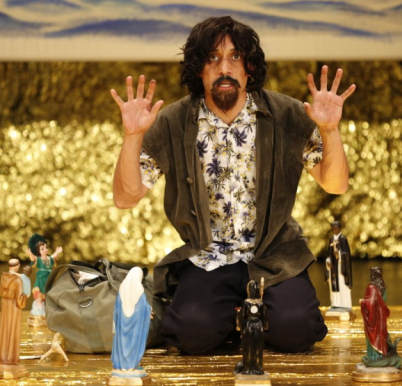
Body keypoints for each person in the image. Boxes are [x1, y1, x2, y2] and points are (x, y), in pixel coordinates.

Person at [110, 16, 354, 354]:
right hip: (207, 257)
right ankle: (231, 319)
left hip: (274, 255)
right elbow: (125, 197)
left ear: (249, 67)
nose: (224, 68)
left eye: (235, 56)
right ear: (198, 69)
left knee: (297, 331)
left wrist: (330, 131)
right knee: (191, 335)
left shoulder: (286, 114)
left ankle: (256, 317)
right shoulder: (173, 122)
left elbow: (336, 184)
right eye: (213, 57)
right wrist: (132, 136)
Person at [111, 267, 150, 376]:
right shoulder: (139, 289)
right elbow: (143, 308)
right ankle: (131, 366)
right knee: (134, 344)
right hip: (136, 326)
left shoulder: (122, 288)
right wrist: (149, 309)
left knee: (121, 344)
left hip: (121, 324)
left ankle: (121, 366)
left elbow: (116, 309)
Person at [359, 267, 401, 369]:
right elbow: (382, 301)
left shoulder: (371, 288)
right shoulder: (383, 287)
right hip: (381, 317)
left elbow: (370, 303)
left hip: (373, 318)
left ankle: (373, 357)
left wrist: (362, 302)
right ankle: (381, 355)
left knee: (374, 336)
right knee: (381, 335)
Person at [0, 260, 28, 366]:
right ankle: (11, 357)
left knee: (4, 328)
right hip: (14, 306)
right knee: (13, 329)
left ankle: (0, 355)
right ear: (17, 266)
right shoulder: (18, 280)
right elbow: (20, 299)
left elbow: (0, 291)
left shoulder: (3, 277)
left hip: (5, 304)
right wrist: (26, 296)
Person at [234, 279, 268, 375]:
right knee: (256, 348)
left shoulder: (246, 303)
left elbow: (242, 315)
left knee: (249, 348)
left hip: (249, 326)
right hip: (258, 326)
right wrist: (265, 326)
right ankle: (256, 366)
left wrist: (239, 325)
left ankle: (248, 367)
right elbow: (264, 317)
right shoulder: (260, 303)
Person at [325, 221, 352, 311]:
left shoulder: (343, 239)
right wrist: (328, 261)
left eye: (335, 228)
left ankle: (344, 304)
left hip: (341, 268)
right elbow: (328, 253)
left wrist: (339, 254)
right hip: (333, 268)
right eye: (332, 229)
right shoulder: (331, 239)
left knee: (342, 284)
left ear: (339, 228)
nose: (333, 230)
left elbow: (347, 254)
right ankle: (335, 303)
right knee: (333, 283)